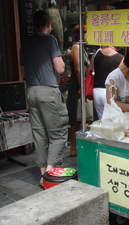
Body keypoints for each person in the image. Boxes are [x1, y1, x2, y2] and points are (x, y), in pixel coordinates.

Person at [20, 10, 68, 187]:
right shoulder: (50, 40)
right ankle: (48, 175)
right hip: (48, 91)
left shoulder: (26, 42)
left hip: (31, 91)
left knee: (39, 133)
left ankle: (42, 174)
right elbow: (60, 68)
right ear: (49, 23)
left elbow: (23, 72)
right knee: (58, 133)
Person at [66, 24, 89, 156]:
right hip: (77, 86)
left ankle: (78, 146)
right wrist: (83, 87)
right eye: (86, 33)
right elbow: (77, 69)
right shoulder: (76, 48)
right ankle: (74, 147)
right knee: (76, 118)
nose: (87, 36)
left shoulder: (81, 48)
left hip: (80, 85)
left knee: (81, 117)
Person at [92, 46, 124, 120]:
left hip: (96, 91)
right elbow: (120, 77)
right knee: (113, 121)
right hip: (109, 92)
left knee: (101, 119)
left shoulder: (96, 54)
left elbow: (89, 71)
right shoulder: (121, 58)